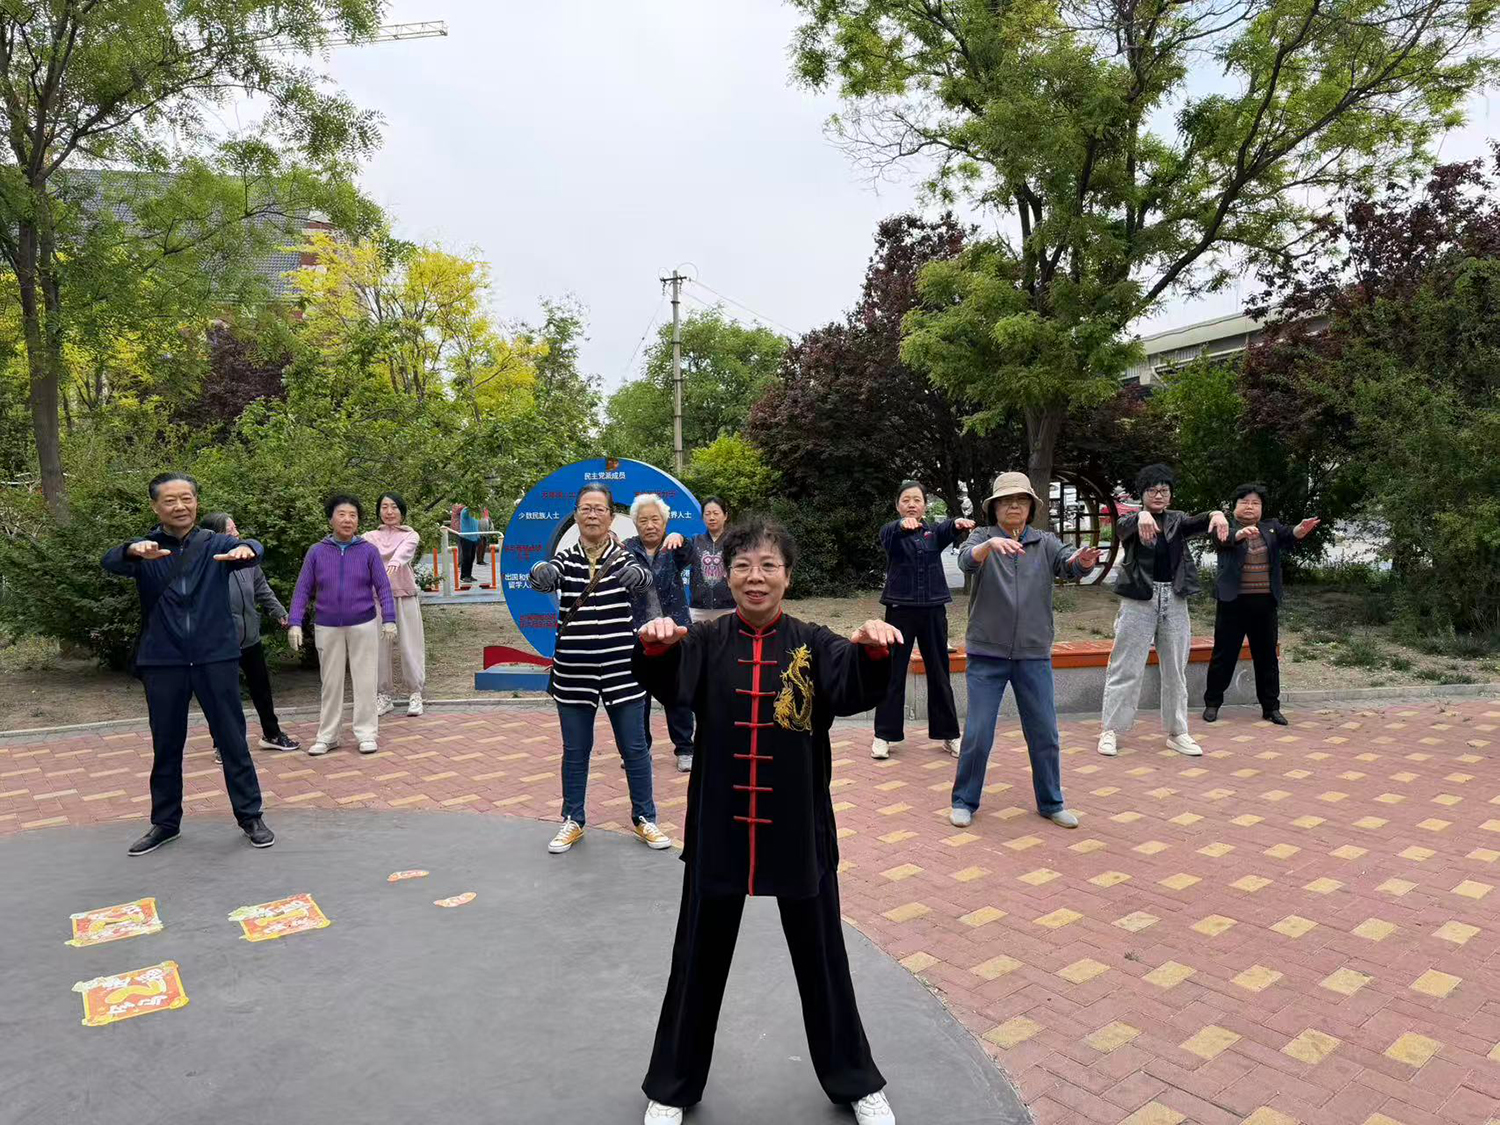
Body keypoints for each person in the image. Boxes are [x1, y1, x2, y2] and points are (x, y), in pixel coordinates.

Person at [633, 516, 901, 1125]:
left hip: (798, 828)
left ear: (787, 576)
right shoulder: (706, 641)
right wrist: (656, 645)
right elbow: (671, 683)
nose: (755, 578)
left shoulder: (814, 642)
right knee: (696, 961)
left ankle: (856, 1081)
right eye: (743, 567)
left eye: (768, 566)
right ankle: (671, 1088)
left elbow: (853, 684)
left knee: (823, 960)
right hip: (720, 828)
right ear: (726, 576)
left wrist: (873, 647)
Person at [102, 472, 275, 855]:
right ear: (155, 506)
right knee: (166, 745)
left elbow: (254, 547)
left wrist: (247, 548)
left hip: (216, 657)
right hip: (163, 661)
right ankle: (165, 823)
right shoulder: (146, 549)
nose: (180, 506)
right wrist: (131, 550)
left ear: (196, 502)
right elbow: (110, 561)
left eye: (187, 498)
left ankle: (250, 816)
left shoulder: (215, 544)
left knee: (232, 740)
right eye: (170, 500)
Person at [951, 472, 1100, 830]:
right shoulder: (983, 537)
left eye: (1021, 500)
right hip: (987, 655)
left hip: (1033, 654)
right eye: (1006, 501)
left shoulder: (1044, 541)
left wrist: (1082, 562)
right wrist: (990, 547)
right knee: (978, 733)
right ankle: (963, 801)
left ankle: (1051, 802)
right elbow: (966, 560)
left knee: (1045, 732)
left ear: (1031, 507)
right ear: (994, 508)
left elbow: (1068, 564)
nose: (1014, 506)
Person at [528, 484, 671, 855]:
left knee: (635, 748)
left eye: (599, 509)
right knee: (575, 750)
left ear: (611, 516)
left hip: (623, 668)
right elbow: (543, 574)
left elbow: (643, 577)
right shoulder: (565, 558)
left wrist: (639, 578)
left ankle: (645, 818)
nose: (592, 514)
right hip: (574, 669)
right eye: (585, 508)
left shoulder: (624, 557)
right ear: (576, 515)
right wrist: (540, 572)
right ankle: (572, 819)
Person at [1097, 465, 1229, 758]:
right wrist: (1141, 516)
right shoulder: (1131, 520)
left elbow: (1199, 521)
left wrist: (1217, 514)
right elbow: (1123, 527)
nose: (1158, 495)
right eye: (1152, 490)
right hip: (1138, 600)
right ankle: (1110, 730)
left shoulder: (1177, 520)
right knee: (1125, 666)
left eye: (1164, 490)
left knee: (1175, 671)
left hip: (1174, 598)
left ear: (1170, 495)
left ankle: (1178, 732)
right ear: (1142, 494)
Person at [870, 479, 974, 760]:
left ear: (925, 505)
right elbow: (889, 533)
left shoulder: (933, 534)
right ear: (897, 505)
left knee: (939, 673)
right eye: (906, 500)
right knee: (892, 673)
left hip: (933, 610)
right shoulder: (891, 532)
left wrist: (957, 524)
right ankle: (883, 736)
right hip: (899, 610)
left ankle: (949, 734)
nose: (911, 505)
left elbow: (946, 529)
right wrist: (900, 525)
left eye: (917, 500)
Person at [287, 494, 398, 756]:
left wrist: (389, 619)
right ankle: (328, 736)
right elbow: (303, 589)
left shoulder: (368, 551)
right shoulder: (317, 552)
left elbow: (383, 587)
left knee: (365, 681)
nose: (347, 520)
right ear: (330, 519)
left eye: (353, 515)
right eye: (342, 514)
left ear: (358, 521)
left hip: (363, 623)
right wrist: (295, 622)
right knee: (330, 683)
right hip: (327, 625)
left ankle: (367, 733)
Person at [1203, 483, 1321, 726]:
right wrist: (1241, 534)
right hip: (1232, 603)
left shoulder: (1271, 527)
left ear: (1262, 508)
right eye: (1244, 502)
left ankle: (1271, 707)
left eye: (1255, 503)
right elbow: (1223, 540)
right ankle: (1212, 703)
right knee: (1223, 656)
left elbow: (1291, 534)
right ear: (1234, 506)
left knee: (1267, 657)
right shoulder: (1224, 526)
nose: (1250, 506)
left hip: (1265, 604)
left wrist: (1301, 529)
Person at [200, 512, 301, 762]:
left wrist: (281, 614)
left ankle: (272, 735)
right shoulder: (207, 565)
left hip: (250, 638)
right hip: (221, 642)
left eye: (235, 528)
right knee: (223, 696)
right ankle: (222, 744)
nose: (236, 534)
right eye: (230, 530)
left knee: (262, 690)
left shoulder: (247, 560)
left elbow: (262, 589)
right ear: (215, 536)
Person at [622, 492, 696, 772]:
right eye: (643, 520)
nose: (650, 525)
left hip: (673, 632)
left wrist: (680, 538)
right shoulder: (626, 550)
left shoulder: (672, 547)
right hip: (638, 633)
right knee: (637, 695)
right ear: (635, 524)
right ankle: (640, 750)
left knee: (677, 693)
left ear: (664, 522)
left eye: (655, 519)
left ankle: (685, 748)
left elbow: (689, 553)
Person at [366, 492, 427, 718]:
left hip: (404, 595)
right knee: (379, 647)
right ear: (378, 511)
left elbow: (403, 553)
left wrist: (393, 564)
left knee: (410, 645)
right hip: (377, 598)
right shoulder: (368, 537)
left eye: (394, 507)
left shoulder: (410, 535)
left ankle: (415, 693)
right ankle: (383, 695)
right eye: (384, 507)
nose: (389, 512)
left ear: (402, 511)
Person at [686, 496, 734, 623]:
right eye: (707, 514)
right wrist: (675, 536)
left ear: (725, 516)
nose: (711, 517)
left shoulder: (734, 541)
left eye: (716, 513)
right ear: (703, 518)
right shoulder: (695, 541)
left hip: (729, 607)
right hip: (698, 610)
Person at [451, 502, 480, 587]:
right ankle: (464, 576)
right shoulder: (465, 511)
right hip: (466, 537)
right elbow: (468, 509)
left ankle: (468, 575)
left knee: (471, 557)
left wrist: (478, 536)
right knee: (466, 557)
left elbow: (476, 525)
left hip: (473, 537)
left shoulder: (475, 513)